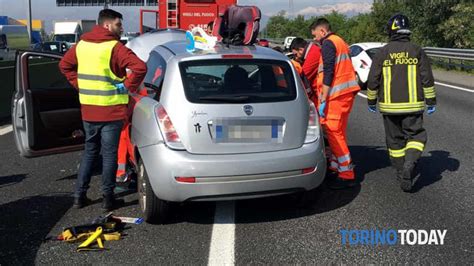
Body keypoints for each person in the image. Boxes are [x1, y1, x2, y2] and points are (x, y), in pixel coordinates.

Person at [59, 9, 147, 210]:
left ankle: (79, 196)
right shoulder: (114, 47)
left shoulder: (81, 45)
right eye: (118, 24)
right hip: (111, 110)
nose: (121, 28)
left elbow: (65, 65)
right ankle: (108, 198)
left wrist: (78, 84)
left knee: (90, 151)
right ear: (107, 25)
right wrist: (127, 86)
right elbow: (140, 68)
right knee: (109, 154)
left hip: (89, 109)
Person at [367, 14, 436, 192]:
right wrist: (431, 100)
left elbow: (373, 78)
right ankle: (410, 162)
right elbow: (426, 77)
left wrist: (371, 100)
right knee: (416, 136)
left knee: (395, 142)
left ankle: (400, 172)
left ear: (390, 30)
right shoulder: (416, 50)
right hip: (413, 106)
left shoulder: (383, 52)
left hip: (389, 108)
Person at [311, 18, 360, 189]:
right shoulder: (340, 41)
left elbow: (329, 71)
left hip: (336, 94)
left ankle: (347, 174)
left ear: (322, 31)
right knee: (338, 132)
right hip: (345, 93)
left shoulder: (328, 43)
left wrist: (323, 98)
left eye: (316, 36)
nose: (316, 40)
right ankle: (335, 166)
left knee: (333, 131)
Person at [290, 37, 321, 103]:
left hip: (321, 94)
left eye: (295, 54)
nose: (296, 57)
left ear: (301, 50)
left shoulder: (313, 54)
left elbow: (302, 77)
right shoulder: (313, 50)